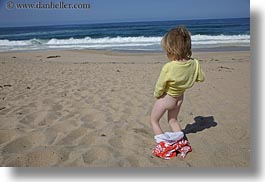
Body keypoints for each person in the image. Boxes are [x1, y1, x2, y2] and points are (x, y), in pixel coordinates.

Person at [150, 25, 205, 136]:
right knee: (173, 120)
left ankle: (163, 145)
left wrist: (157, 95)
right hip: (179, 99)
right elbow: (201, 78)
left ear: (171, 49)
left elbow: (160, 86)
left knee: (154, 121)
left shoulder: (169, 67)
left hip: (166, 99)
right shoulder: (195, 63)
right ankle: (180, 141)